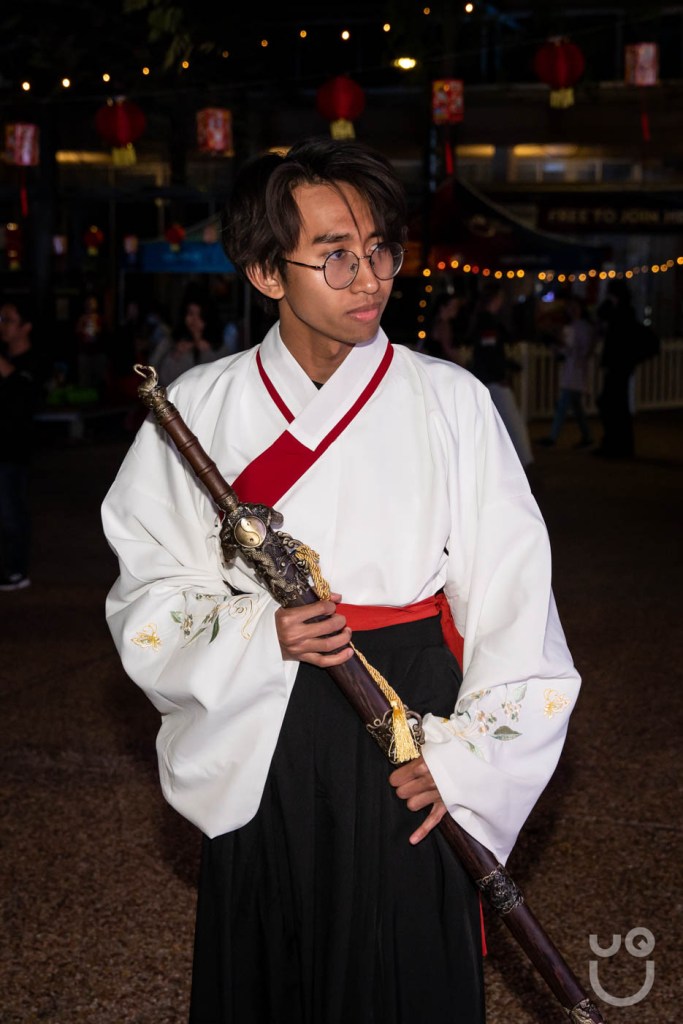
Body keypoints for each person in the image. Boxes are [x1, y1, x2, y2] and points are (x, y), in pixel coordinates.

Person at [101, 137, 581, 1024]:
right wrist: (256, 631)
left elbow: (513, 593)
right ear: (265, 272)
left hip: (409, 713)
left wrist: (469, 759)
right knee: (274, 947)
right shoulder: (200, 404)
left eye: (379, 250)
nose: (367, 278)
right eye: (333, 256)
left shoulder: (450, 400)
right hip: (265, 717)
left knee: (402, 954)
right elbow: (150, 583)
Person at [467, 282, 534, 470]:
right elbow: (489, 354)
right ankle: (524, 463)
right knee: (513, 424)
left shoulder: (483, 321)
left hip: (487, 379)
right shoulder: (487, 323)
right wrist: (500, 375)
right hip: (493, 381)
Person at [0, 296, 42, 591]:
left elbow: (23, 394)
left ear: (26, 327)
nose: (2, 326)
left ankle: (16, 570)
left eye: (8, 320)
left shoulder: (33, 361)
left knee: (10, 511)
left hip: (13, 450)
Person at [539, 295, 597, 448]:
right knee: (576, 407)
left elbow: (573, 350)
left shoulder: (578, 328)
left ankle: (553, 437)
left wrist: (558, 345)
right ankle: (587, 435)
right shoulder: (579, 327)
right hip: (575, 369)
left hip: (575, 370)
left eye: (574, 307)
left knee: (563, 405)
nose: (571, 311)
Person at [594, 279, 641, 459]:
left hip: (619, 364)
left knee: (613, 404)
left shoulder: (623, 312)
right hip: (619, 365)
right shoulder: (622, 311)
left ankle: (617, 445)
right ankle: (616, 443)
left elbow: (604, 317)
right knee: (614, 404)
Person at [149, 290, 228, 388]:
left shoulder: (218, 345)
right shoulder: (171, 341)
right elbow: (153, 371)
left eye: (199, 315)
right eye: (191, 314)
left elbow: (221, 378)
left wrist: (207, 352)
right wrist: (175, 355)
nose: (194, 320)